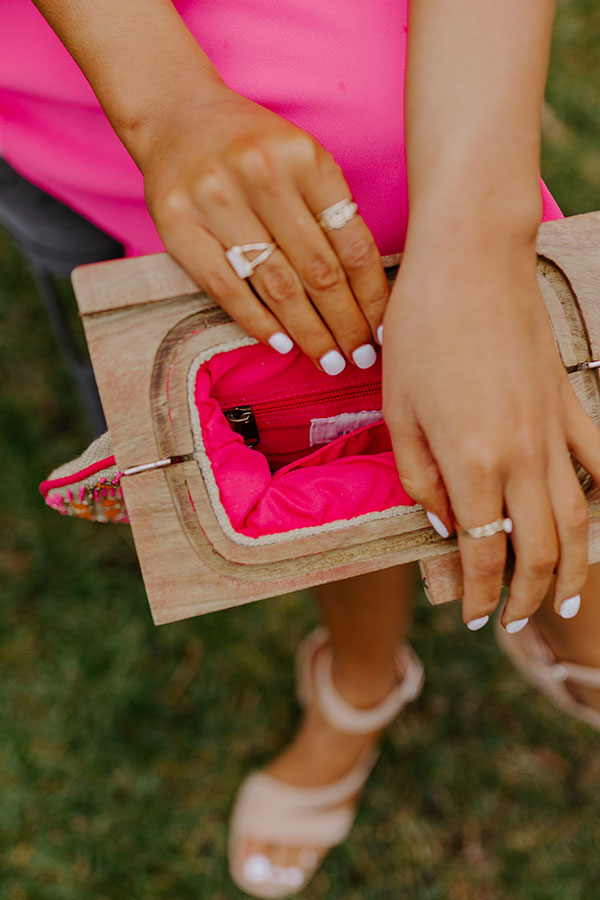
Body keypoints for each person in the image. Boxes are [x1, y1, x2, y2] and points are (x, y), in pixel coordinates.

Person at [3, 1, 600, 896]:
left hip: (348, 62)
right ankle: (362, 677)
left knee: (384, 214)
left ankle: (564, 613)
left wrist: (478, 247)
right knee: (279, 402)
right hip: (68, 59)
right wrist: (164, 103)